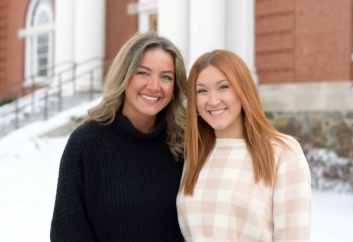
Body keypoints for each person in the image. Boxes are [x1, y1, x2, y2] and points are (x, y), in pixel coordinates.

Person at [50, 32, 187, 241]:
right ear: (124, 75)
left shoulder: (182, 146)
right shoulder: (86, 143)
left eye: (166, 77)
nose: (154, 86)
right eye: (143, 73)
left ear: (175, 87)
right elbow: (68, 228)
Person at [177, 49, 312, 241]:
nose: (213, 101)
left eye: (223, 87)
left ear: (243, 89)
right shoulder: (194, 151)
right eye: (202, 91)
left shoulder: (283, 152)